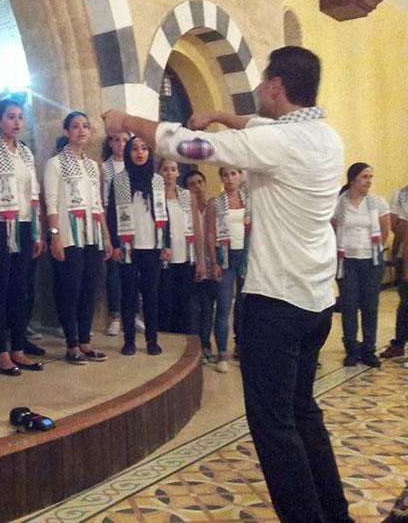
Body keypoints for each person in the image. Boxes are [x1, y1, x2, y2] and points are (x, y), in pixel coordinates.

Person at [103, 46, 353, 522]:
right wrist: (219, 114)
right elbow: (255, 126)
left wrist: (126, 120)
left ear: (276, 87)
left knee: (274, 427)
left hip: (276, 303)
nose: (257, 89)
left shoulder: (278, 143)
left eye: (262, 81)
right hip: (317, 299)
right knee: (303, 412)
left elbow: (190, 147)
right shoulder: (325, 136)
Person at [0, 98, 45, 375]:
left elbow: (33, 193)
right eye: (10, 117)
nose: (17, 122)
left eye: (20, 116)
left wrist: (37, 232)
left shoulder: (25, 153)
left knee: (20, 288)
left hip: (24, 224)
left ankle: (18, 347)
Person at [45, 111, 112, 364]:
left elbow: (97, 203)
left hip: (92, 235)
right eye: (75, 126)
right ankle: (71, 345)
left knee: (89, 289)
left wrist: (106, 236)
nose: (81, 130)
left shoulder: (92, 166)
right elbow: (51, 202)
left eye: (85, 126)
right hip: (68, 234)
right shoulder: (55, 164)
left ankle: (85, 342)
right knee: (70, 290)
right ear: (67, 131)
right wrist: (54, 235)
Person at [106, 136, 166, 356]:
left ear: (149, 153)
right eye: (134, 149)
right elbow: (112, 213)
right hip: (128, 246)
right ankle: (129, 340)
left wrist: (166, 243)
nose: (139, 153)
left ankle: (152, 340)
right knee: (128, 294)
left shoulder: (157, 180)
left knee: (151, 294)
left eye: (144, 148)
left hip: (152, 245)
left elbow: (164, 213)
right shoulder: (119, 180)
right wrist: (115, 244)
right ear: (128, 153)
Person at [332, 162, 389, 368]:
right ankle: (351, 348)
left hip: (371, 261)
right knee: (349, 305)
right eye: (365, 177)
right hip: (347, 261)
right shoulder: (339, 203)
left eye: (370, 177)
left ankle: (368, 349)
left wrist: (375, 252)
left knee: (370, 306)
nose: (369, 181)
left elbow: (385, 230)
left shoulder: (377, 202)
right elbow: (333, 228)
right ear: (353, 179)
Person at [206, 166, 249, 371]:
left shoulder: (249, 202)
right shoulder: (215, 203)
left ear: (240, 176)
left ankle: (242, 346)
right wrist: (214, 261)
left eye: (234, 174)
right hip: (225, 257)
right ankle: (222, 352)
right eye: (225, 175)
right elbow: (210, 234)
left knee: (245, 304)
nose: (230, 178)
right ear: (221, 178)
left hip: (245, 256)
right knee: (223, 305)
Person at [157, 159, 199, 334]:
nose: (169, 173)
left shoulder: (187, 196)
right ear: (159, 172)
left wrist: (199, 256)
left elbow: (196, 226)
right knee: (164, 296)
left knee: (183, 298)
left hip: (184, 253)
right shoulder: (155, 195)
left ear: (178, 172)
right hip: (163, 253)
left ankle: (181, 333)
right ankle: (163, 332)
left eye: (173, 169)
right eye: (165, 169)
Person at [183, 170, 216, 364]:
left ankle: (206, 345)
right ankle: (195, 350)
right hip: (193, 263)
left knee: (208, 307)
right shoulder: (186, 209)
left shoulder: (214, 206)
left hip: (212, 265)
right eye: (192, 184)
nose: (197, 187)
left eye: (199, 182)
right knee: (193, 308)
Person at [102, 132, 128, 336]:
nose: (121, 144)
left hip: (132, 222)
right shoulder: (104, 168)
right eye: (117, 140)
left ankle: (133, 314)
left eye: (125, 140)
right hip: (111, 220)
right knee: (114, 272)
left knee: (134, 271)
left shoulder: (134, 165)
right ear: (110, 143)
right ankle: (116, 315)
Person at [380, 183, 408, 361]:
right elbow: (399, 227)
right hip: (404, 255)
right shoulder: (401, 194)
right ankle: (398, 344)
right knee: (405, 303)